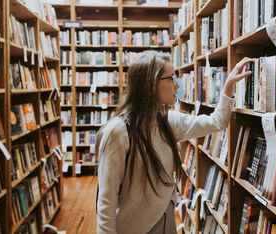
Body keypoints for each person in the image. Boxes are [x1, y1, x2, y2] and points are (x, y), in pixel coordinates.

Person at [96, 51, 254, 234]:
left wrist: (228, 87)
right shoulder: (117, 132)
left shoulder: (168, 121)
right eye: (171, 79)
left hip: (166, 220)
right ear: (151, 84)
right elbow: (106, 203)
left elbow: (217, 122)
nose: (177, 85)